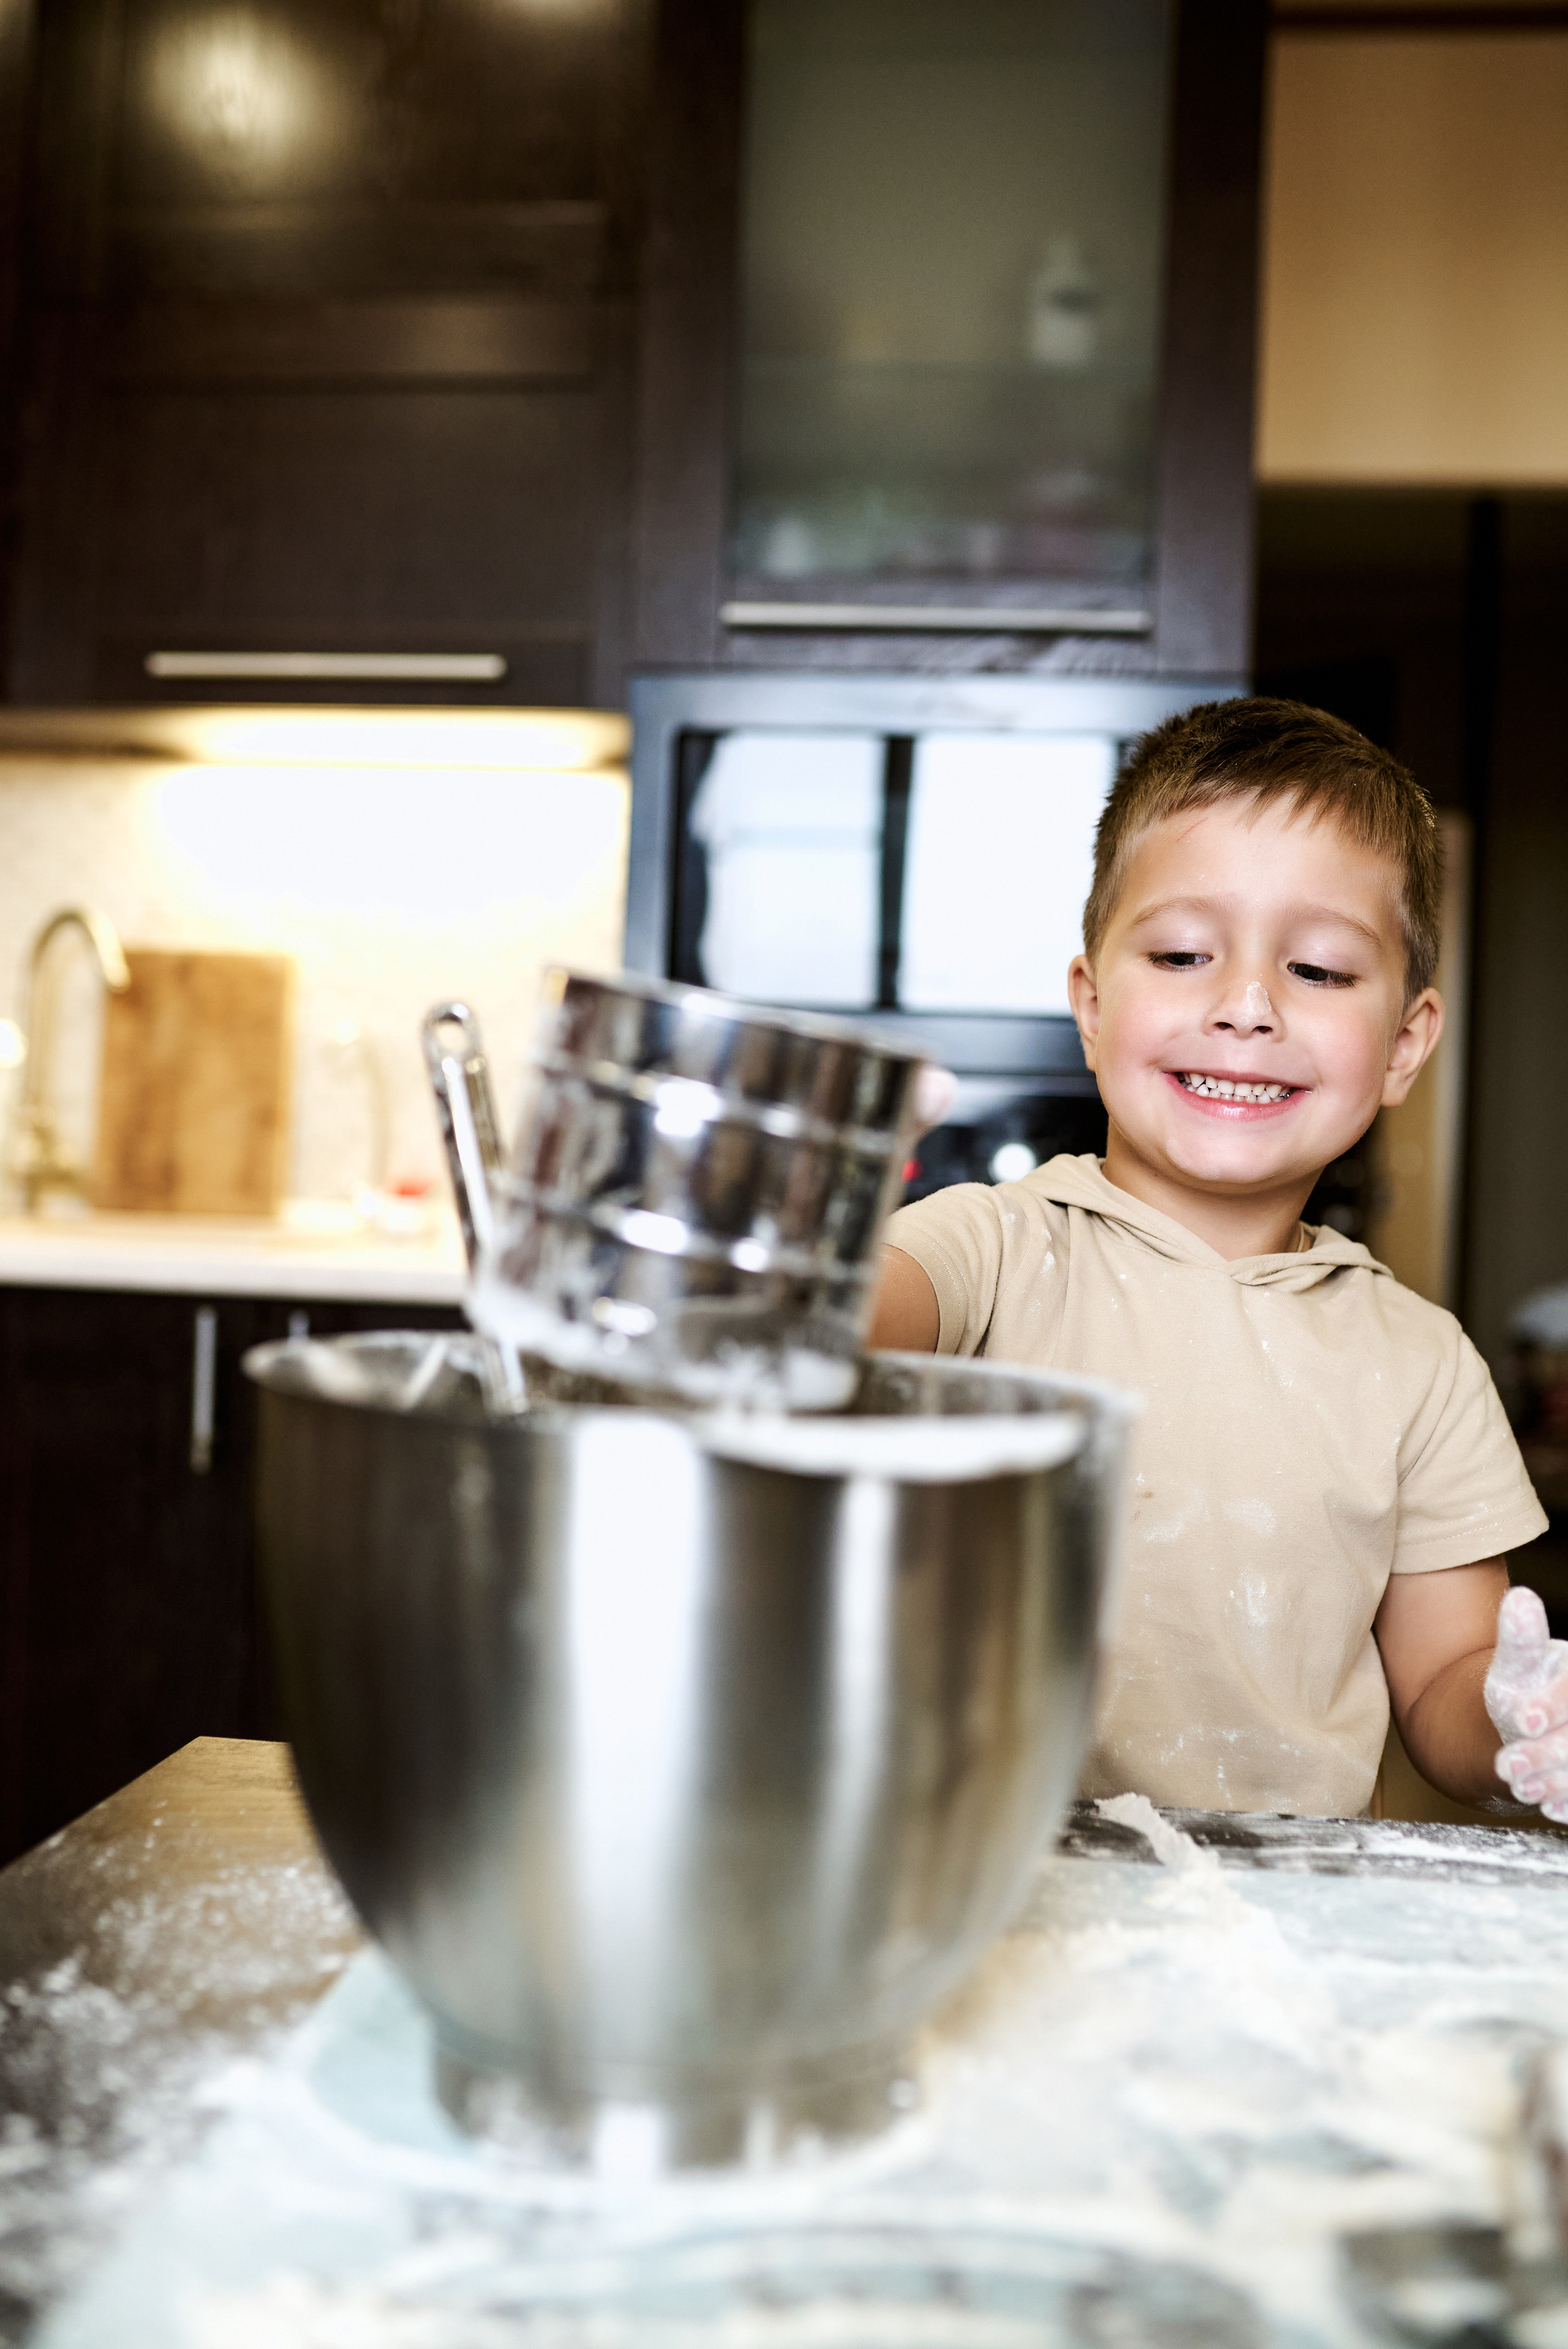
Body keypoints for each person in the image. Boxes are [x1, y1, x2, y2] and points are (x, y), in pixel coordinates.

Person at [869, 698, 1568, 1820]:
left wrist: (1524, 1726)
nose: (1246, 1006)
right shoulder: (988, 1250)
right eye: (1185, 953)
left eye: (1323, 971)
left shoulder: (1424, 1364)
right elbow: (823, 1337)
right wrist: (823, 1220)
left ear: (1404, 1045)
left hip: (1276, 1933)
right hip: (982, 1892)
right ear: (1092, 1008)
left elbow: (1446, 1679)